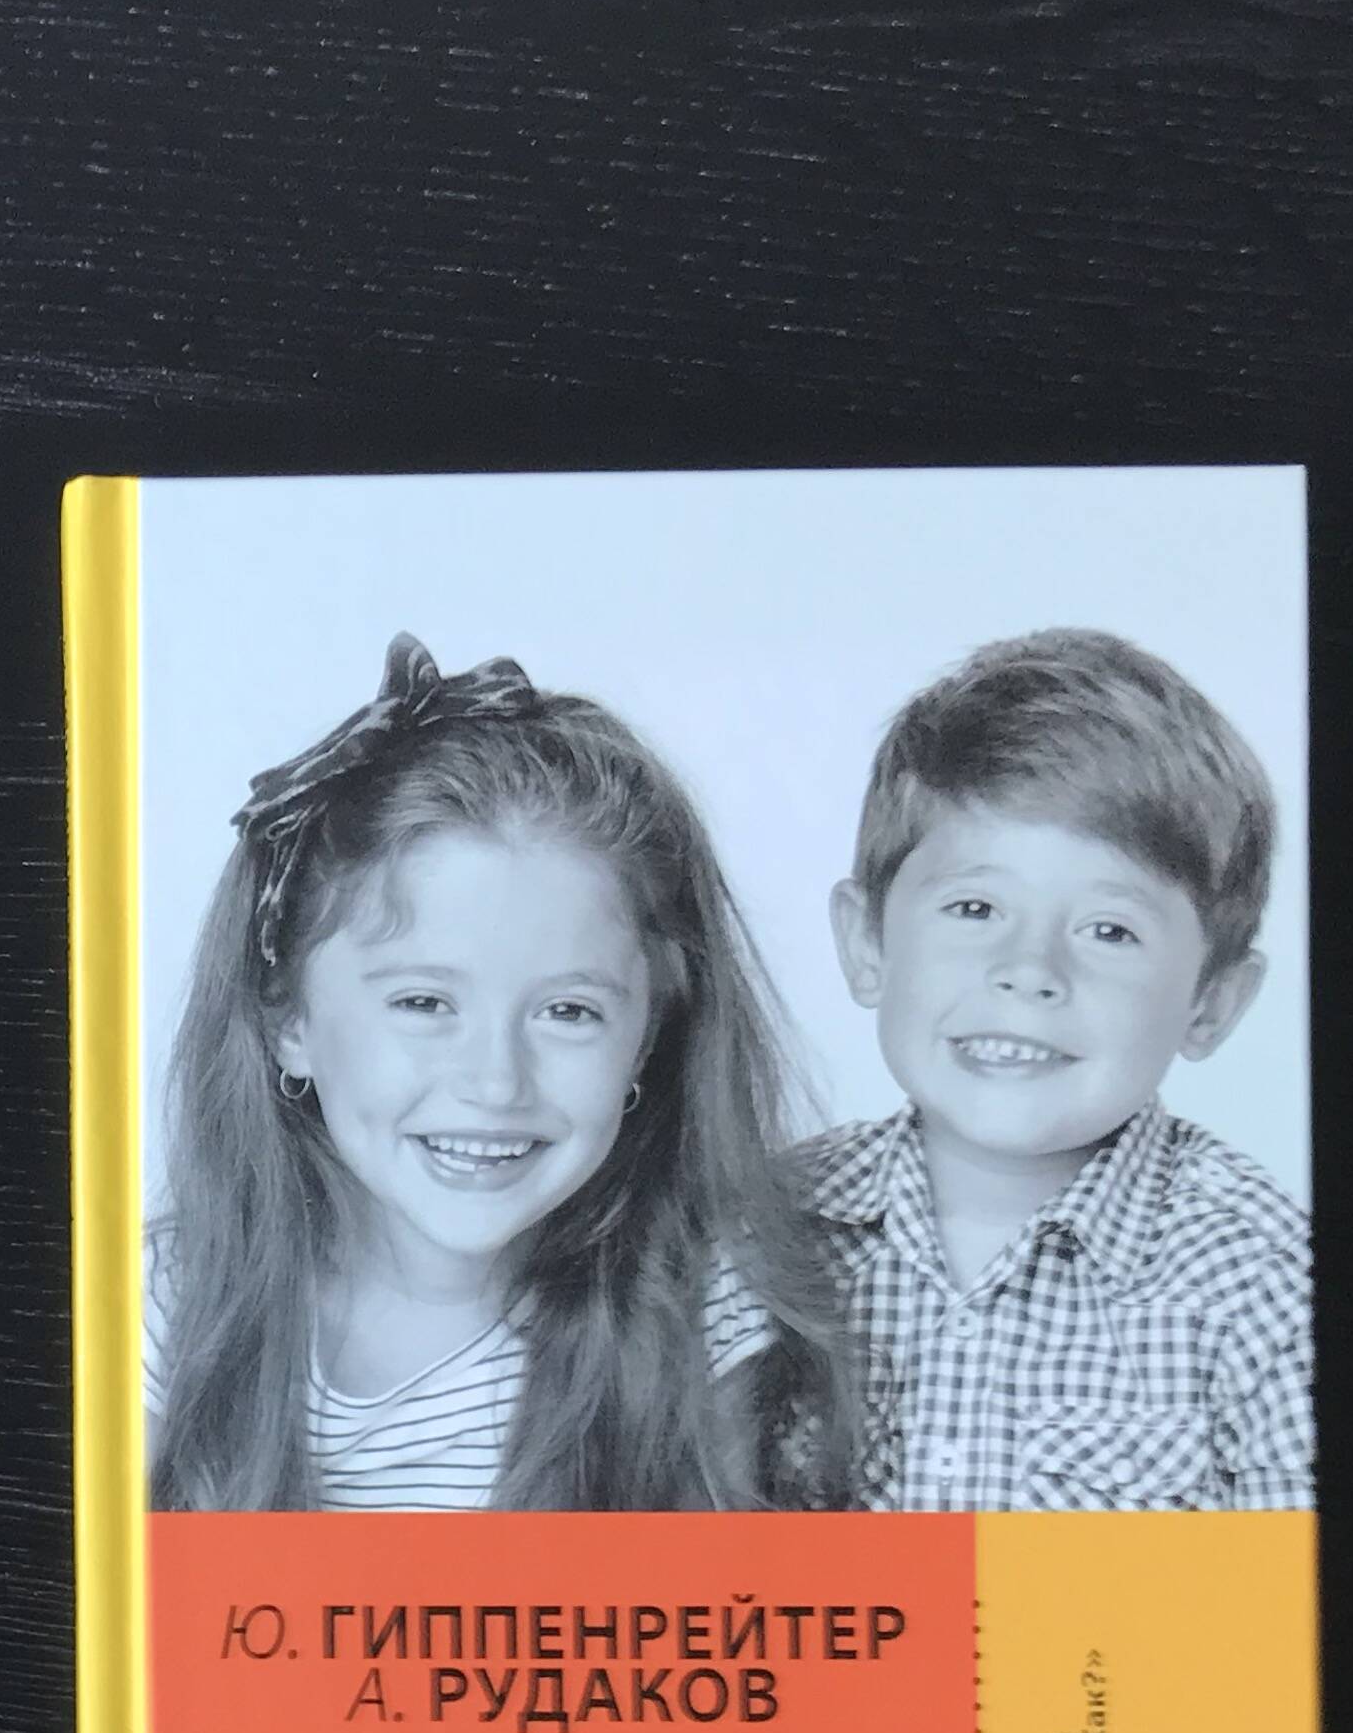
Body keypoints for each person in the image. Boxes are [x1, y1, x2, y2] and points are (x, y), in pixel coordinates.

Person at [148, 635, 854, 1511]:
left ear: (647, 1039)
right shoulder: (165, 1308)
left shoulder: (708, 1323)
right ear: (288, 1019)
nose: (495, 1083)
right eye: (423, 1002)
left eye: (568, 1012)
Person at [807, 626, 1311, 1509]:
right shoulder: (760, 1237)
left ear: (1212, 1002)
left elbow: (1311, 1588)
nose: (1031, 970)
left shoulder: (1265, 1287)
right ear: (867, 943)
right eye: (975, 908)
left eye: (1109, 930)